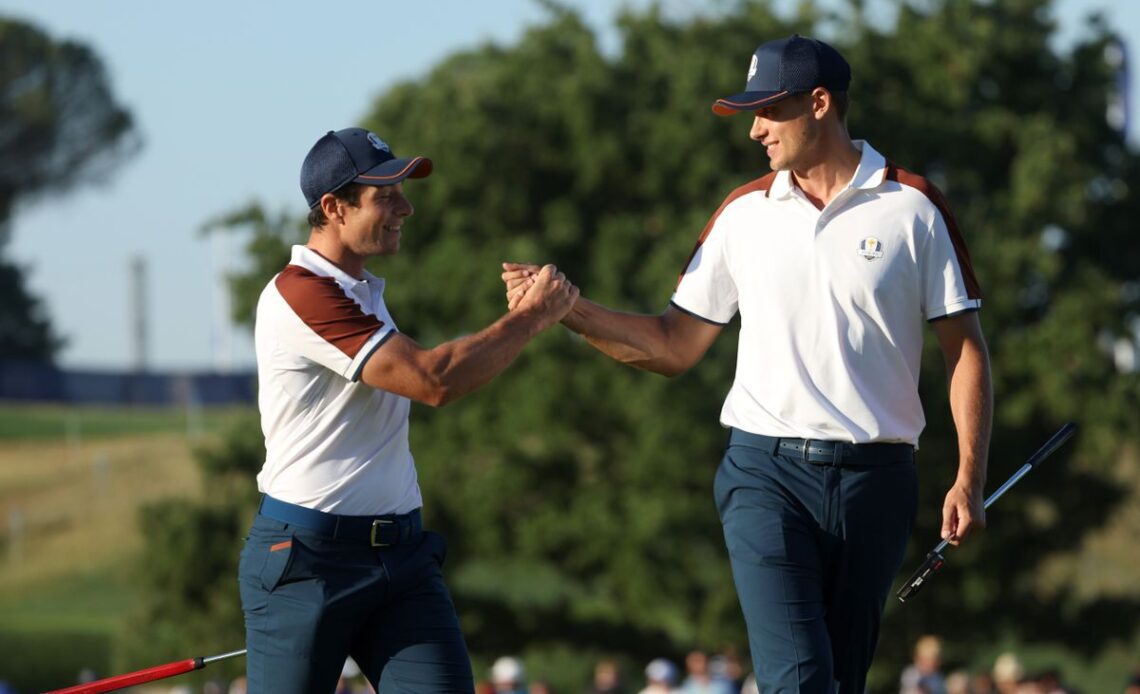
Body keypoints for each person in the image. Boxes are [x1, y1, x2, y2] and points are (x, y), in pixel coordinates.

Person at [503, 33, 992, 694]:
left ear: (819, 104)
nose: (755, 129)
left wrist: (967, 475)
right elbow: (674, 345)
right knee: (800, 680)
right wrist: (567, 308)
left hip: (879, 483)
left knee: (841, 680)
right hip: (766, 475)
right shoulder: (742, 214)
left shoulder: (915, 207)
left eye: (767, 110)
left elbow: (964, 351)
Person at [239, 127, 578, 694]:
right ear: (333, 207)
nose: (406, 207)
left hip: (401, 560)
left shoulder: (362, 290)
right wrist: (531, 318)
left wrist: (528, 319)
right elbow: (433, 380)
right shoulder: (301, 292)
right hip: (306, 562)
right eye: (385, 195)